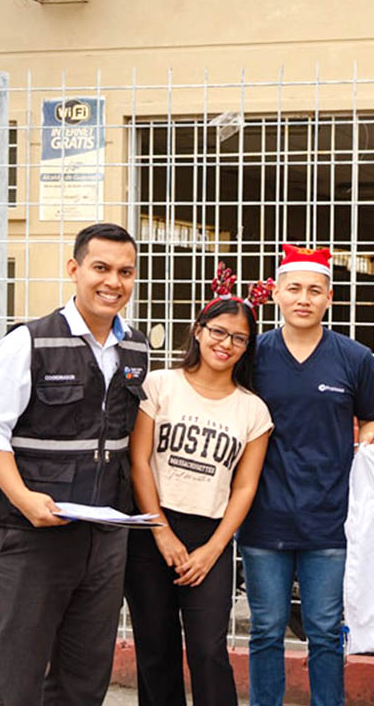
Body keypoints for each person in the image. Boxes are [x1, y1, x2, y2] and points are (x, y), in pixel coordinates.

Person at [0, 222, 148, 706]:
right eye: (101, 268)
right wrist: (24, 499)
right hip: (30, 534)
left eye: (125, 272)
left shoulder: (135, 349)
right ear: (74, 269)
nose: (113, 282)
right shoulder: (29, 342)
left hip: (103, 536)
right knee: (16, 679)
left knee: (84, 681)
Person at [238, 244, 374, 706]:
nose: (304, 298)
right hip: (264, 515)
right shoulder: (253, 355)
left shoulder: (354, 357)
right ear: (277, 294)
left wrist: (371, 444)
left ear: (329, 298)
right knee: (266, 630)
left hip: (330, 518)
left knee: (324, 630)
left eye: (314, 291)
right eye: (294, 289)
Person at [124, 265, 275, 706]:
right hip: (152, 532)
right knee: (156, 650)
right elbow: (139, 461)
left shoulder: (253, 411)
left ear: (248, 347)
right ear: (198, 330)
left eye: (239, 338)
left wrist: (214, 549)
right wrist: (161, 531)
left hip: (210, 535)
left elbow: (245, 488)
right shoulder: (160, 385)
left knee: (209, 651)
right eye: (218, 332)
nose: (225, 344)